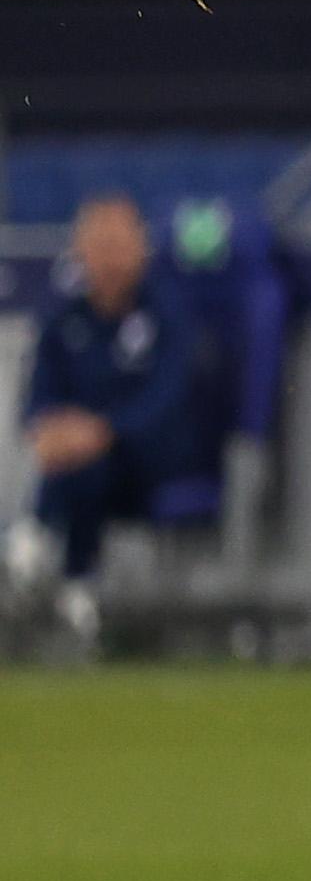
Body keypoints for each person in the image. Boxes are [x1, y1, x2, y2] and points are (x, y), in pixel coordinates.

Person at [7, 196, 209, 651]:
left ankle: (36, 537)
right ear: (80, 252)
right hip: (84, 470)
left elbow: (168, 401)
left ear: (141, 248)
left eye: (119, 245)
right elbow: (38, 398)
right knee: (84, 468)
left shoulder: (167, 313)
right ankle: (77, 589)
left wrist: (103, 431)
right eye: (99, 246)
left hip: (153, 463)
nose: (110, 259)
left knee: (91, 460)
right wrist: (50, 431)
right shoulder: (63, 316)